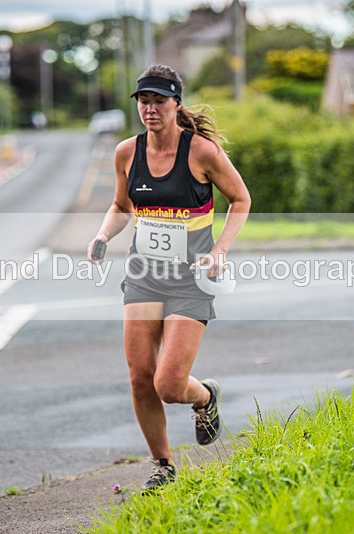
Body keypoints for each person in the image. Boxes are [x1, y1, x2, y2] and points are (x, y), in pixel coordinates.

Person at [88, 65, 251, 492]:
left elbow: (240, 198)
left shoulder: (202, 152)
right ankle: (163, 466)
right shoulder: (127, 152)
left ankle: (205, 397)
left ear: (176, 103)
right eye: (143, 100)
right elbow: (121, 206)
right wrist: (104, 234)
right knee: (140, 377)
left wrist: (220, 250)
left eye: (159, 100)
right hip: (144, 275)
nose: (150, 109)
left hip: (190, 279)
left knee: (168, 384)